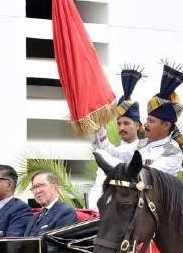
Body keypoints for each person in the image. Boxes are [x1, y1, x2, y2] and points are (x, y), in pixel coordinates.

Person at [90, 67, 145, 205]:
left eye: (126, 123)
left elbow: (113, 153)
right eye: (119, 123)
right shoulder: (117, 150)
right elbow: (105, 150)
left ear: (138, 125)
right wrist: (99, 122)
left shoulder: (143, 149)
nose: (121, 128)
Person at [25, 171, 77, 236]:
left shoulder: (66, 212)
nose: (37, 191)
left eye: (41, 185)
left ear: (55, 187)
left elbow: (59, 243)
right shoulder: (34, 218)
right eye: (34, 187)